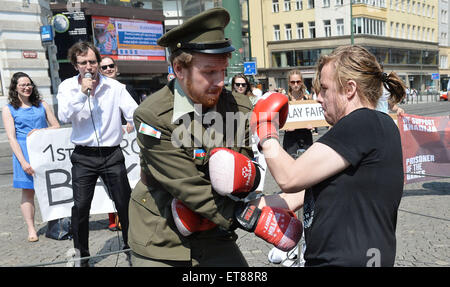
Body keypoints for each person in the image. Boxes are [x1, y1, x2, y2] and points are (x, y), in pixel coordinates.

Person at [128, 8, 302, 267]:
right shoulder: (153, 116)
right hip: (162, 238)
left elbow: (241, 176)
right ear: (179, 69)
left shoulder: (238, 107)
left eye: (223, 71)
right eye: (209, 72)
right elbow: (190, 188)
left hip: (214, 231)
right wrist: (253, 218)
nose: (220, 82)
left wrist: (251, 173)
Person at [250, 45, 406, 266]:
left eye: (324, 88)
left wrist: (266, 129)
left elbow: (289, 177)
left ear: (349, 89)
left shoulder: (363, 122)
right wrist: (237, 211)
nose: (318, 97)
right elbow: (293, 197)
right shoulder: (372, 127)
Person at [56, 41, 138, 267]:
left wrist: (131, 123)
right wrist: (83, 93)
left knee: (124, 203)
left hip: (112, 154)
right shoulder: (67, 87)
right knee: (81, 207)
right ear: (76, 65)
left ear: (99, 62)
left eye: (93, 61)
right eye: (83, 62)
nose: (89, 66)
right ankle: (82, 254)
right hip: (84, 156)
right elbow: (63, 115)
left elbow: (135, 113)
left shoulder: (115, 87)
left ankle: (131, 247)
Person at [2, 72, 60, 242]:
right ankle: (31, 229)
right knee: (28, 192)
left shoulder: (42, 104)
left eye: (29, 84)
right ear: (15, 88)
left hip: (44, 151)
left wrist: (41, 131)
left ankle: (55, 225)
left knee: (51, 190)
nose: (27, 87)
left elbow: (56, 126)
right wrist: (23, 162)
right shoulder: (9, 109)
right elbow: (12, 138)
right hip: (24, 153)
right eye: (22, 85)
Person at [99, 56, 138, 232]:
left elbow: (136, 111)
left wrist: (132, 123)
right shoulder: (97, 91)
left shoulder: (126, 88)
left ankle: (129, 217)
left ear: (116, 67)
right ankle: (112, 217)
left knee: (127, 181)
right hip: (109, 140)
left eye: (111, 66)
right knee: (107, 183)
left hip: (128, 139)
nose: (108, 69)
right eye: (104, 67)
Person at [283, 69, 314, 158]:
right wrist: (285, 127)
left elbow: (314, 117)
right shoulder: (285, 100)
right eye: (293, 82)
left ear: (301, 82)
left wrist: (312, 125)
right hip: (290, 137)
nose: (295, 84)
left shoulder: (308, 99)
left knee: (307, 163)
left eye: (298, 82)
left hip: (306, 135)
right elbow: (279, 120)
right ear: (289, 83)